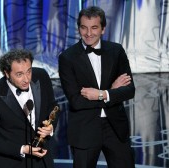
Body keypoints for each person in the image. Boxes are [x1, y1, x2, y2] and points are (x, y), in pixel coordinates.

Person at [58, 6, 135, 168]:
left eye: (94, 28)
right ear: (78, 28)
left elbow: (129, 90)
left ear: (103, 29)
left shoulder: (116, 51)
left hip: (115, 128)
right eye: (83, 27)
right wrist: (112, 92)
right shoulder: (67, 58)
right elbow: (77, 101)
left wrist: (101, 94)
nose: (88, 33)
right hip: (84, 129)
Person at [0, 49, 59, 168]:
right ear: (6, 73)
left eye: (29, 71)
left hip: (43, 161)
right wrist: (23, 149)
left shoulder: (41, 76)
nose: (26, 79)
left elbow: (53, 107)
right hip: (13, 163)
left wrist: (51, 127)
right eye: (19, 74)